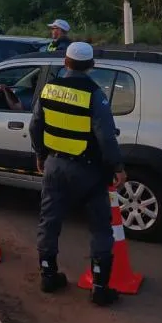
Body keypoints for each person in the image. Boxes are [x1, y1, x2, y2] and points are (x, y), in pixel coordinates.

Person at [29, 42, 127, 307]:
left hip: (55, 165)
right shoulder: (95, 94)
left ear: (66, 62)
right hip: (89, 170)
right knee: (99, 228)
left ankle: (48, 275)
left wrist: (40, 154)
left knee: (49, 221)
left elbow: (35, 125)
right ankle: (99, 287)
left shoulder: (49, 89)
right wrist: (117, 167)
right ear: (91, 65)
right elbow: (106, 137)